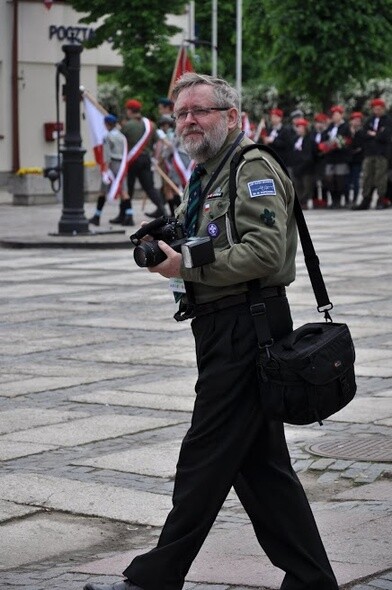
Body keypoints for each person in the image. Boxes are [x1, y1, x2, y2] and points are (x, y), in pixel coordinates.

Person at [83, 73, 339, 590]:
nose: (189, 121)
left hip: (249, 328)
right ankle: (312, 580)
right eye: (180, 113)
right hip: (222, 328)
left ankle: (152, 581)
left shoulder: (251, 166)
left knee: (204, 456)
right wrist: (169, 237)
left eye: (200, 110)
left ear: (231, 117)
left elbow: (266, 252)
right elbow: (212, 237)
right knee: (260, 467)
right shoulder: (206, 175)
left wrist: (186, 266)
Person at [110, 99, 167, 225]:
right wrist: (155, 158)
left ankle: (124, 215)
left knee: (127, 189)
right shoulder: (150, 125)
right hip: (146, 160)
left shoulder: (127, 126)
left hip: (131, 161)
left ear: (129, 111)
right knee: (150, 188)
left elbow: (119, 142)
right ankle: (164, 212)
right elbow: (159, 143)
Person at [89, 114, 129, 226]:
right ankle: (129, 215)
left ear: (107, 124)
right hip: (121, 165)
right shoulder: (122, 136)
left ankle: (97, 216)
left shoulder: (107, 137)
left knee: (103, 191)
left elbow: (106, 154)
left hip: (112, 165)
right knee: (123, 191)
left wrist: (105, 169)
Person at [352, 98, 392, 210]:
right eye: (375, 109)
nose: (377, 111)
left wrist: (374, 134)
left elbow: (385, 136)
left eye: (379, 109)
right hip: (369, 153)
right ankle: (366, 199)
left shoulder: (388, 120)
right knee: (367, 177)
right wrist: (376, 134)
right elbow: (364, 134)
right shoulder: (369, 120)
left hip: (382, 153)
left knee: (380, 177)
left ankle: (381, 199)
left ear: (383, 109)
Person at [318, 105, 351, 209]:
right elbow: (323, 137)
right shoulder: (330, 127)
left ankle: (342, 200)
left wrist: (338, 143)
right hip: (330, 158)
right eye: (333, 115)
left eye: (337, 115)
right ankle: (334, 200)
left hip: (340, 157)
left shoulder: (345, 126)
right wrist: (326, 145)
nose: (335, 117)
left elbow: (347, 140)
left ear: (341, 115)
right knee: (330, 180)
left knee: (340, 179)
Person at [290, 118, 316, 209]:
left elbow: (309, 155)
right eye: (298, 127)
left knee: (306, 186)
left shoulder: (310, 139)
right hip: (296, 166)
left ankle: (304, 201)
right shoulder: (295, 139)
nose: (299, 129)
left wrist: (302, 165)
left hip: (307, 167)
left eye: (301, 127)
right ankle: (299, 202)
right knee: (297, 185)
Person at [346, 112, 365, 208]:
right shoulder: (348, 131)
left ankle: (355, 199)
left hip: (357, 159)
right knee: (347, 180)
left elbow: (359, 146)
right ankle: (348, 199)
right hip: (348, 159)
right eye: (354, 120)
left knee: (355, 180)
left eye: (358, 120)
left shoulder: (362, 132)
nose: (355, 122)